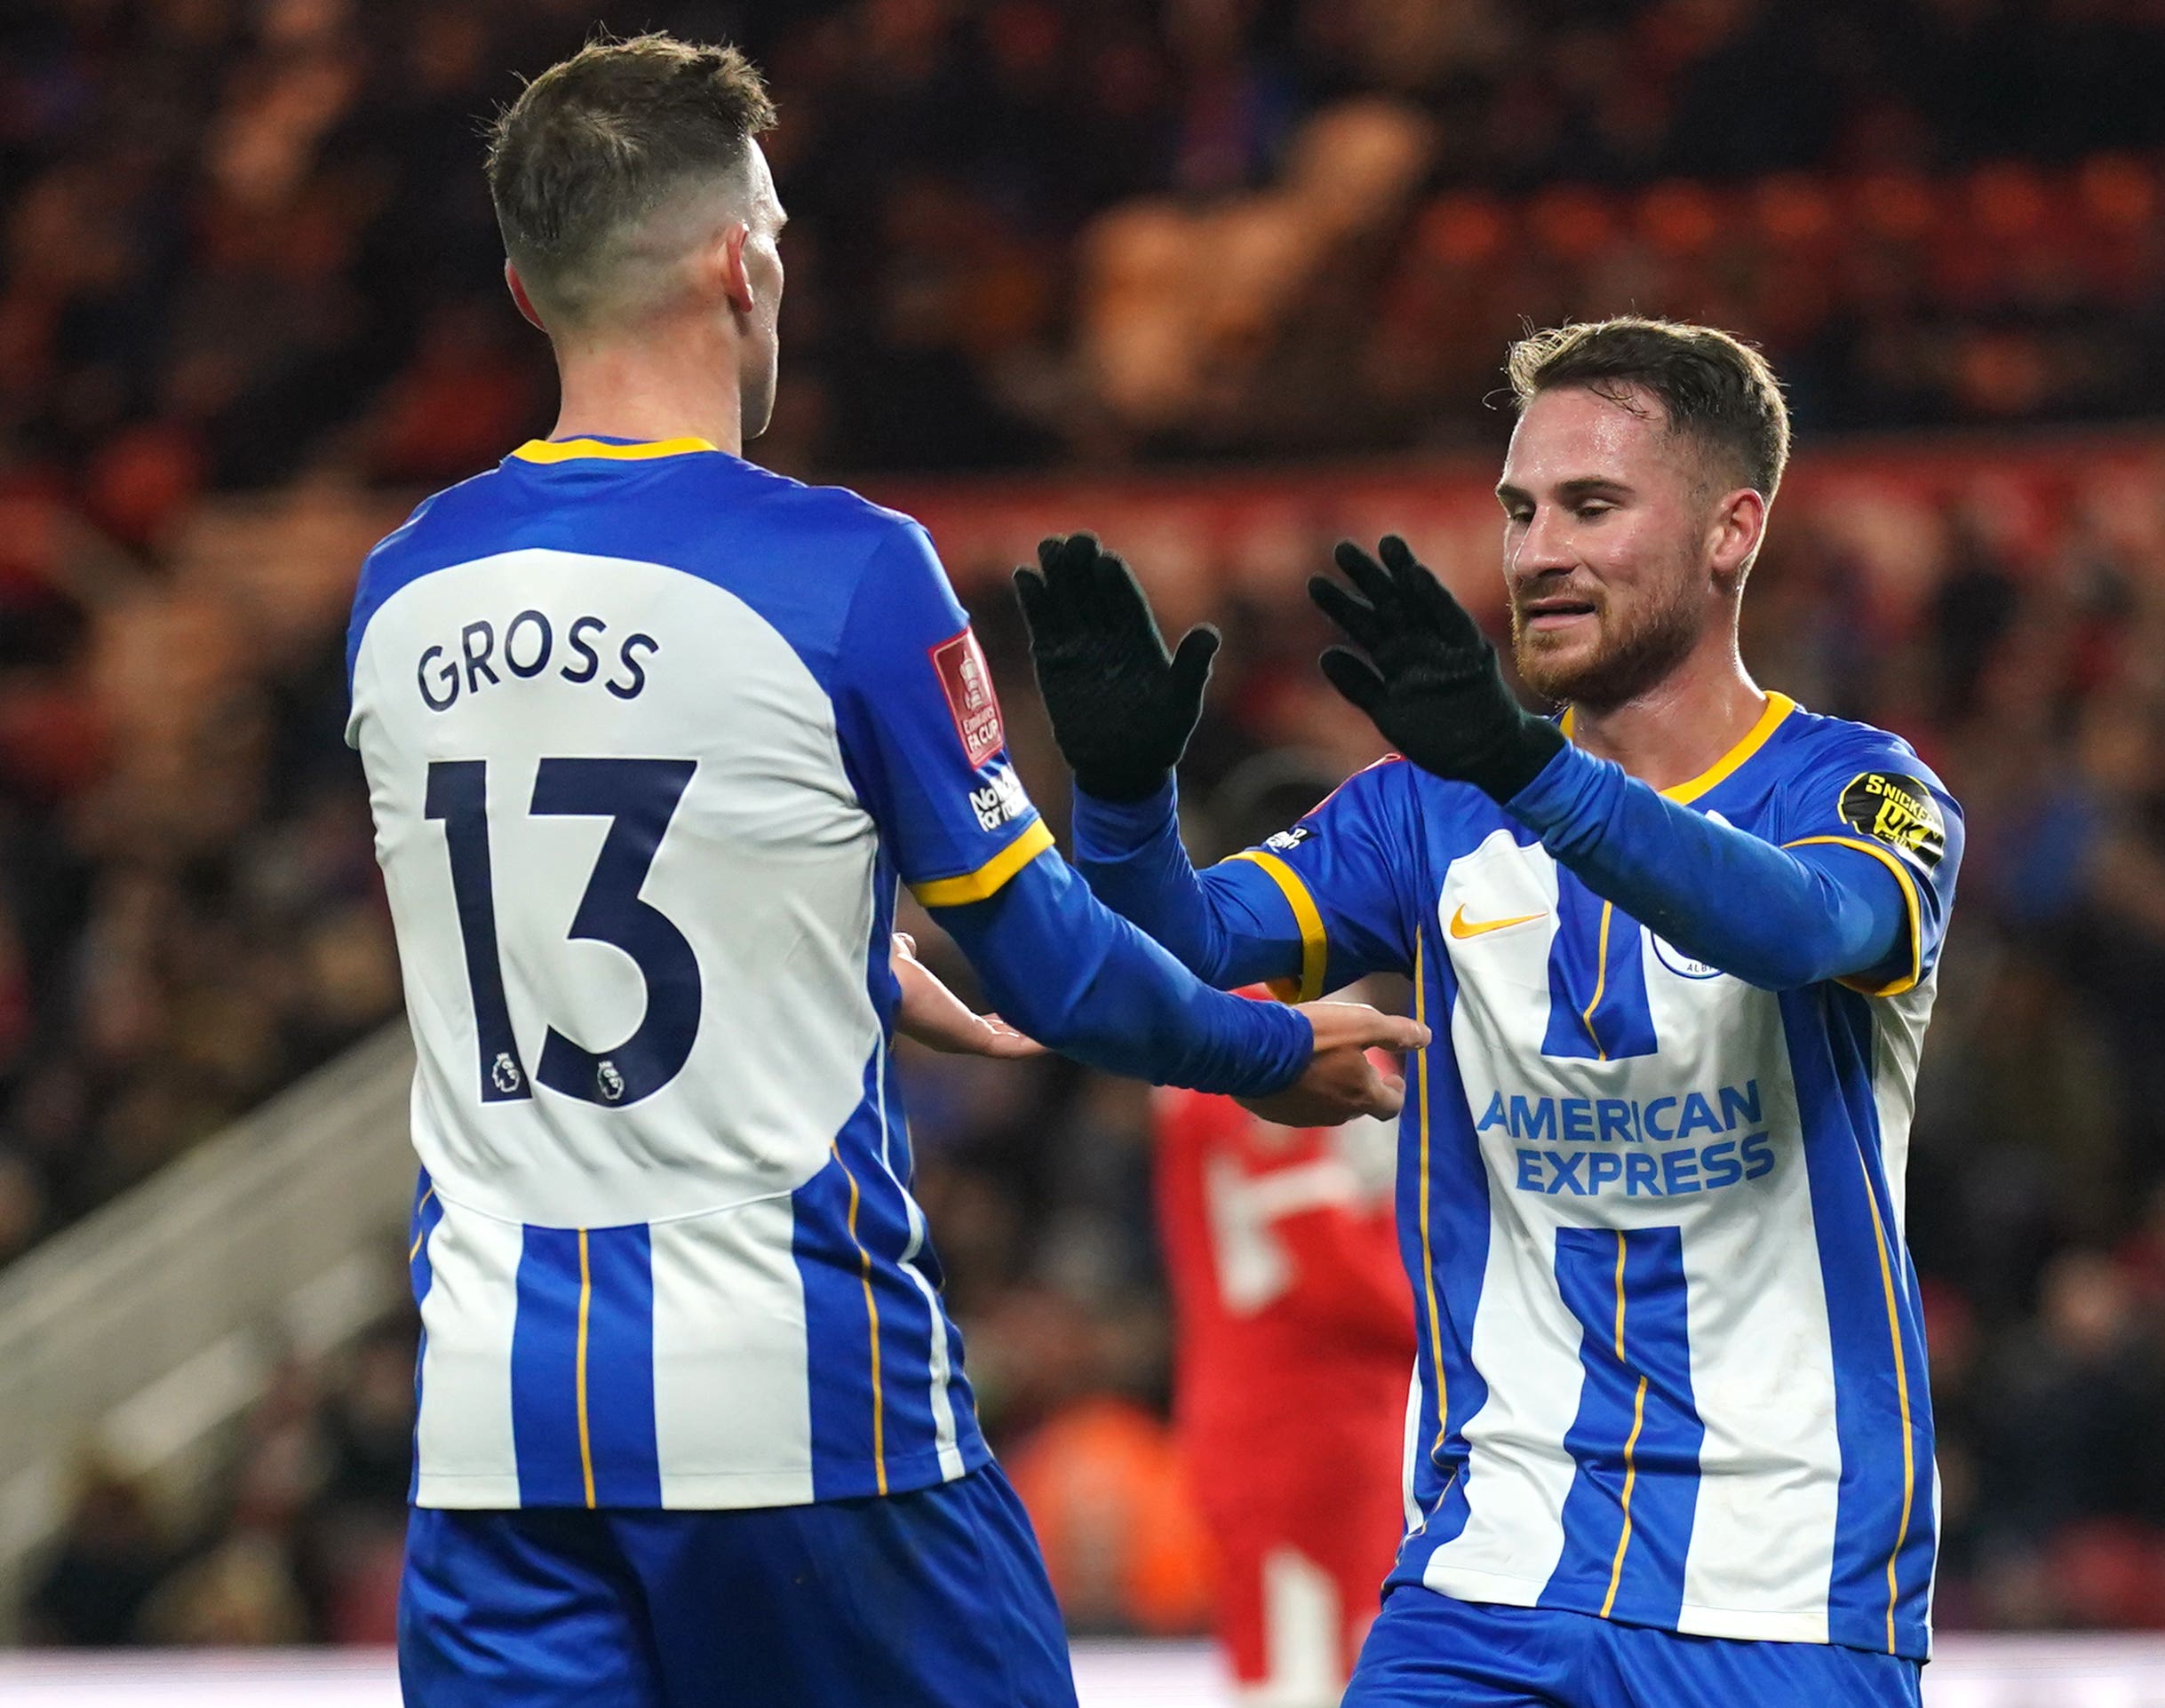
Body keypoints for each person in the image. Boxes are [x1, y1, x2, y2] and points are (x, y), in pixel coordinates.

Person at [345, 36, 1421, 1708]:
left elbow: (558, 891)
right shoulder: (843, 570)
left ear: (522, 285)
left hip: (494, 1434)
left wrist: (826, 947)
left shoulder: (398, 587)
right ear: (744, 260)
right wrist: (1273, 1049)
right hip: (798, 1412)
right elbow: (1054, 965)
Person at [1015, 316, 1962, 1708]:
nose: (1536, 552)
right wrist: (1120, 800)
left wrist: (1530, 771)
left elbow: (1798, 926)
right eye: (1519, 509)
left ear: (1730, 530)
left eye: (1591, 505)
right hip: (1487, 1579)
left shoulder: (1861, 792)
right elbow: (1177, 953)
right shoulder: (1429, 815)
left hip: (1786, 1583)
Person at [1155, 1001, 1413, 1707]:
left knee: (1295, 1654)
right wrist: (1453, 1326)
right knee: (1312, 1663)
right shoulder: (1296, 1037)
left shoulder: (1194, 1029)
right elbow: (1320, 1254)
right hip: (1311, 1412)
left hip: (1254, 1401)